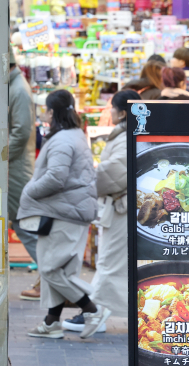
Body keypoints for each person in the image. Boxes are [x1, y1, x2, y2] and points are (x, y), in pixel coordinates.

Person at [18, 90, 110, 339]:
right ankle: (51, 323)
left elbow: (55, 178)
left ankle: (93, 308)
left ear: (52, 112)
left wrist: (28, 190)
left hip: (63, 213)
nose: (43, 113)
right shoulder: (74, 135)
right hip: (72, 211)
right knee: (61, 272)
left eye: (45, 109)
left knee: (49, 269)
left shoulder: (61, 140)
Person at [62, 90, 140, 333]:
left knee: (109, 263)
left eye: (112, 108)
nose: (110, 112)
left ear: (123, 112)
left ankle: (95, 314)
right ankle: (99, 313)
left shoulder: (126, 136)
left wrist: (87, 179)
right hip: (121, 207)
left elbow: (115, 172)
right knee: (113, 263)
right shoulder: (129, 133)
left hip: (121, 209)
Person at [8, 47, 40, 300]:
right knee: (23, 223)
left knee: (24, 224)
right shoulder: (14, 86)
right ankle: (49, 279)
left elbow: (20, 132)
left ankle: (51, 279)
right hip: (13, 165)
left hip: (15, 168)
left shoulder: (18, 89)